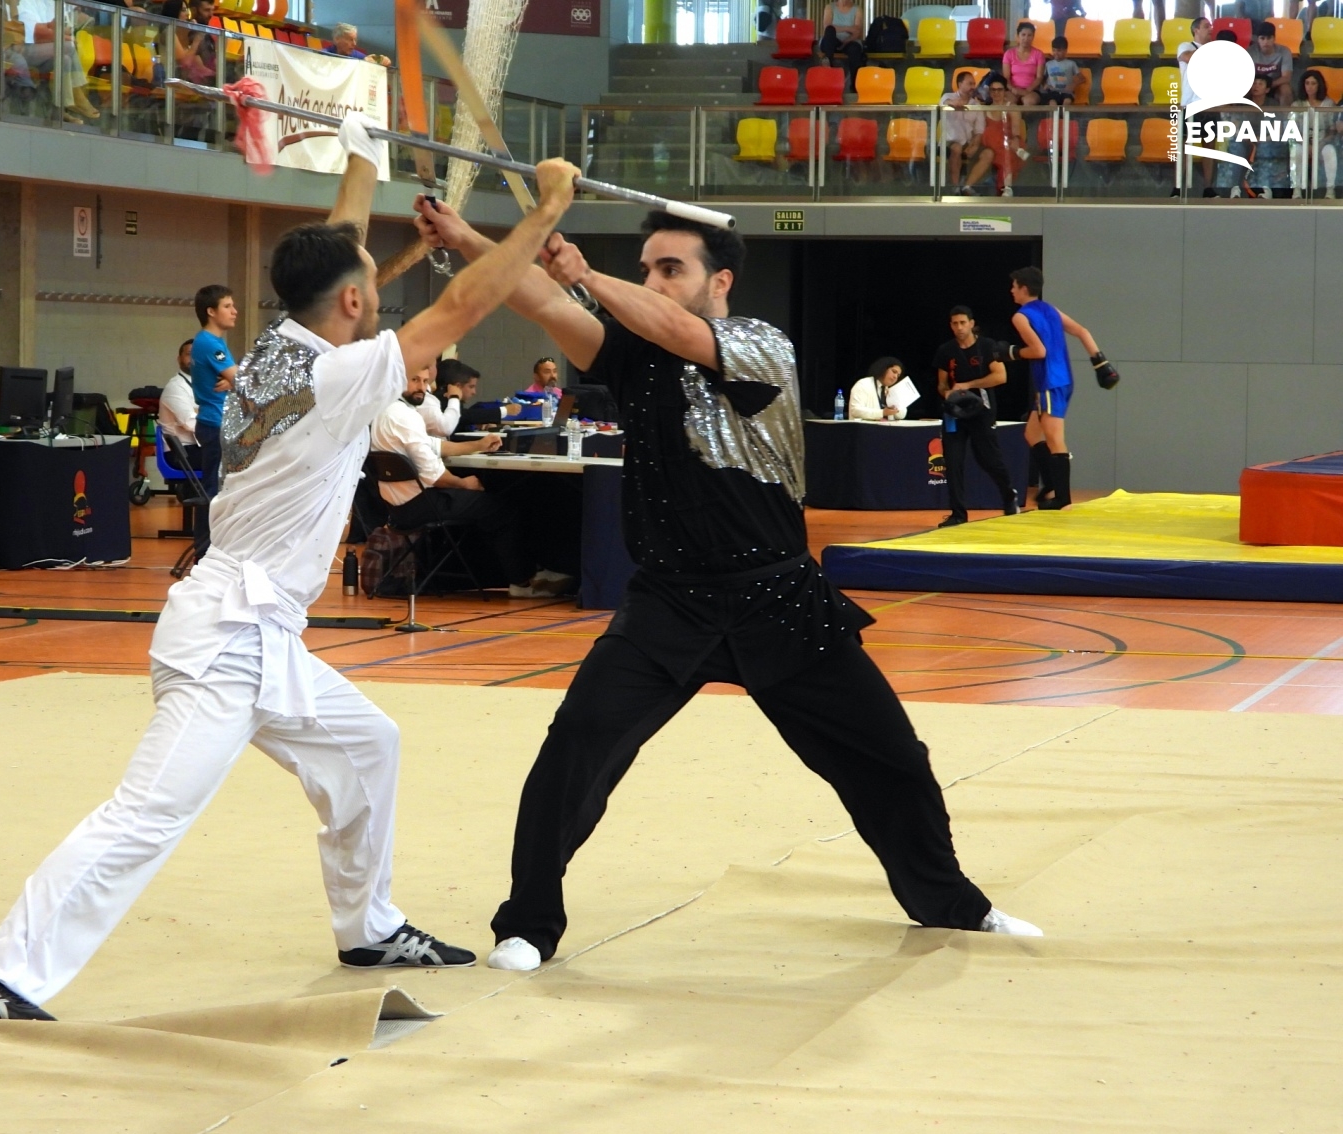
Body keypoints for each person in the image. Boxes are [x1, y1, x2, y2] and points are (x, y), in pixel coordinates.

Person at [0, 122, 582, 1022]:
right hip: (226, 638)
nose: (380, 296)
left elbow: (340, 242)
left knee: (368, 746)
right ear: (352, 302)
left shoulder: (283, 345)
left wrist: (363, 152)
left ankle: (368, 926)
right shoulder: (339, 376)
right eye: (372, 286)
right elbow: (465, 303)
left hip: (261, 630)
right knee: (149, 812)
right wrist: (547, 207)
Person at [413, 200, 1046, 975]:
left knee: (891, 759)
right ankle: (529, 924)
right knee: (575, 749)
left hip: (780, 597)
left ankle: (951, 902)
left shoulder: (760, 345)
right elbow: (541, 298)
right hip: (669, 600)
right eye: (647, 269)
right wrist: (465, 237)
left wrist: (588, 273)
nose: (654, 281)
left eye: (670, 268)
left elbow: (669, 326)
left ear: (721, 281)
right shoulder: (631, 353)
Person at [369, 376, 571, 599]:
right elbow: (435, 475)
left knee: (489, 504)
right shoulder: (405, 417)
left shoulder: (386, 412)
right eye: (415, 380)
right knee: (503, 510)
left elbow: (436, 445)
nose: (422, 387)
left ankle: (520, 571)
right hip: (422, 504)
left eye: (425, 381)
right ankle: (522, 582)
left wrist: (478, 445)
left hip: (398, 508)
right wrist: (464, 483)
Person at [1006, 266, 1116, 511]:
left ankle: (1063, 498)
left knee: (1055, 439)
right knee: (1032, 434)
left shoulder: (1020, 317)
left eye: (1014, 286)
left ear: (1024, 288)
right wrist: (1101, 364)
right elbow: (1082, 331)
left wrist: (1012, 353)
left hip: (1049, 382)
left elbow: (1038, 351)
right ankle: (1051, 485)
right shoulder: (1050, 309)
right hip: (1062, 379)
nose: (1011, 290)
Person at [932, 307, 1018, 527]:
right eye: (955, 323)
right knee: (952, 461)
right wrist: (947, 393)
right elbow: (941, 383)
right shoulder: (946, 350)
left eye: (963, 323)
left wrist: (968, 385)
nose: (959, 327)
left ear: (971, 323)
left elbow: (1000, 376)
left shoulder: (987, 346)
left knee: (988, 459)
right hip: (955, 413)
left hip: (981, 410)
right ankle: (958, 513)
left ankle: (1009, 495)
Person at [190, 283, 238, 557]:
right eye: (227, 306)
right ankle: (205, 552)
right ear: (211, 311)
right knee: (213, 491)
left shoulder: (214, 342)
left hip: (218, 423)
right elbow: (244, 380)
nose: (234, 311)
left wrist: (233, 381)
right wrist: (235, 380)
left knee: (218, 489)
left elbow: (237, 379)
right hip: (215, 424)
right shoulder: (209, 343)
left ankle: (211, 550)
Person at [1177, 16, 1219, 197]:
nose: (1210, 29)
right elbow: (1187, 57)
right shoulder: (1186, 46)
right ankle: (1178, 186)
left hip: (1209, 104)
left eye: (1210, 26)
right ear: (1196, 30)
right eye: (1206, 26)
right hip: (1189, 104)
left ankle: (1208, 187)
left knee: (1209, 147)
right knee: (1184, 146)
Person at [943, 69, 995, 196]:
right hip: (949, 142)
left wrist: (975, 144)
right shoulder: (948, 96)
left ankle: (967, 186)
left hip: (969, 142)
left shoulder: (976, 104)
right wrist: (953, 103)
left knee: (988, 153)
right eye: (969, 83)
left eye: (974, 84)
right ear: (960, 84)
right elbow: (944, 103)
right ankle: (955, 188)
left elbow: (979, 130)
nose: (973, 87)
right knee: (956, 148)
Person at [1293, 70, 1340, 199]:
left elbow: (1332, 130)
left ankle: (1330, 190)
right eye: (1307, 83)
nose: (1310, 86)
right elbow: (1293, 130)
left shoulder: (1329, 103)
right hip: (1302, 142)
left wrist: (1320, 144)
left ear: (1319, 85)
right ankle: (1297, 190)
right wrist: (1306, 144)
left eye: (1313, 83)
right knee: (1296, 151)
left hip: (1323, 142)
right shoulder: (1297, 104)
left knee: (1330, 151)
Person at [981, 75, 1027, 197]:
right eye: (993, 90)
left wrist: (1015, 139)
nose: (996, 93)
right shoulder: (985, 109)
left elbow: (1016, 129)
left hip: (1008, 141)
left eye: (999, 90)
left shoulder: (1012, 107)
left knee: (1007, 151)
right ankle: (1004, 186)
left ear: (1005, 91)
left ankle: (1005, 186)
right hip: (991, 144)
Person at [158, 338, 199, 449]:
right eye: (189, 354)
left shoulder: (206, 384)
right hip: (182, 450)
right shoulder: (176, 386)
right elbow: (190, 423)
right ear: (179, 359)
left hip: (201, 446)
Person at [818, 0, 866, 87]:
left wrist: (845, 41)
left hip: (850, 40)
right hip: (832, 41)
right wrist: (848, 28)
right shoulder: (830, 7)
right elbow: (828, 27)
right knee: (830, 31)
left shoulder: (857, 9)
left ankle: (855, 85)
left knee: (855, 50)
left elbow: (857, 31)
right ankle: (828, 62)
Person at [1002, 22, 1046, 108]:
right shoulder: (1009, 54)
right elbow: (1006, 77)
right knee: (1007, 101)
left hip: (1031, 90)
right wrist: (1013, 89)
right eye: (1023, 35)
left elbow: (1039, 77)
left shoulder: (1039, 54)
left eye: (1029, 35)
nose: (1026, 38)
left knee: (1029, 101)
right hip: (1012, 90)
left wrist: (1027, 90)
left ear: (1033, 37)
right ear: (1018, 36)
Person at [1250, 21, 1294, 106]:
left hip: (1275, 85)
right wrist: (1258, 86)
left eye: (1269, 38)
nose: (1266, 42)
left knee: (1286, 89)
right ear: (1258, 39)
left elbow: (1286, 77)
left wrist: (1267, 86)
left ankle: (1286, 114)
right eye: (1262, 38)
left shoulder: (1284, 51)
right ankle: (1240, 113)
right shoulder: (1250, 52)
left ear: (1274, 38)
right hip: (1255, 85)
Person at [433, 359, 481, 435]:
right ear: (457, 386)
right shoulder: (443, 400)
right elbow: (464, 417)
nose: (474, 392)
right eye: (471, 387)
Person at [1041, 37, 1079, 106]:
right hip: (1052, 91)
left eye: (1059, 51)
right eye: (1054, 50)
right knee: (1052, 103)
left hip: (1066, 92)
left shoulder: (1071, 64)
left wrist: (1073, 85)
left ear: (1065, 51)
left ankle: (1063, 114)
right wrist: (1045, 84)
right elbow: (1042, 77)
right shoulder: (1048, 64)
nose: (1056, 53)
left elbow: (1082, 78)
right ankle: (1053, 114)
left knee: (1067, 102)